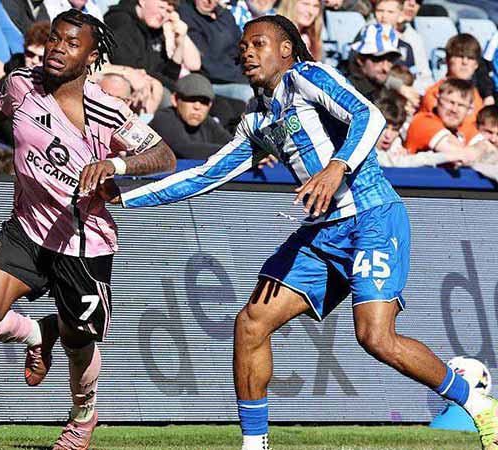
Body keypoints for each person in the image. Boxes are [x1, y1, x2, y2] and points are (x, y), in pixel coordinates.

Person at [114, 14, 498, 450]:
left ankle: (480, 405)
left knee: (375, 336)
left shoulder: (307, 78)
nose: (246, 51)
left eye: (257, 43)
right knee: (251, 324)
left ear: (285, 48)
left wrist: (337, 166)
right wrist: (126, 197)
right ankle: (255, 446)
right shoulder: (257, 116)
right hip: (321, 234)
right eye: (243, 46)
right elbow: (206, 175)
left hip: (372, 216)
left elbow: (368, 115)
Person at [0, 10, 176, 449]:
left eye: (71, 43)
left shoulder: (107, 109)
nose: (58, 49)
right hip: (27, 230)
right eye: (54, 40)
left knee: (79, 343)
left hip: (83, 243)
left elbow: (163, 157)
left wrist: (115, 164)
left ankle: (82, 418)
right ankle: (40, 332)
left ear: (91, 55)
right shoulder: (22, 84)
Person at [104, 0, 201, 92]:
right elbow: (132, 68)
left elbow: (170, 75)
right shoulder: (120, 21)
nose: (163, 14)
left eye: (168, 11)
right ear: (142, 1)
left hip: (152, 87)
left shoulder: (155, 29)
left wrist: (180, 43)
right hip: (118, 85)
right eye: (161, 7)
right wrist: (174, 88)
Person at [419, 34, 492, 138]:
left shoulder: (475, 94)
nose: (465, 62)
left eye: (470, 58)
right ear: (448, 60)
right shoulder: (436, 93)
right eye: (459, 56)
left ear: (476, 65)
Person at [180, 0, 252, 103]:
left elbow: (241, 45)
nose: (209, 2)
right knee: (251, 94)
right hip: (212, 81)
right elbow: (208, 63)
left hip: (239, 75)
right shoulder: (186, 13)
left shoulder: (224, 14)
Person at [404, 78, 492, 163]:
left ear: (469, 109)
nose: (454, 109)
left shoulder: (464, 127)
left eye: (461, 105)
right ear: (437, 100)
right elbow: (460, 157)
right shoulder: (423, 122)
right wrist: (480, 148)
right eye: (450, 102)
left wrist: (483, 147)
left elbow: (492, 155)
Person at [149, 73, 232, 159]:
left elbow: (233, 145)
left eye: (204, 102)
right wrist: (231, 153)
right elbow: (183, 148)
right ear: (175, 100)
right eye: (191, 99)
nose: (197, 107)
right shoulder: (164, 118)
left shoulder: (208, 122)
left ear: (210, 105)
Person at [372, 94, 459, 167]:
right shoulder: (364, 147)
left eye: (395, 130)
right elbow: (397, 162)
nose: (388, 135)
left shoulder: (398, 143)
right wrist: (447, 156)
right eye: (384, 128)